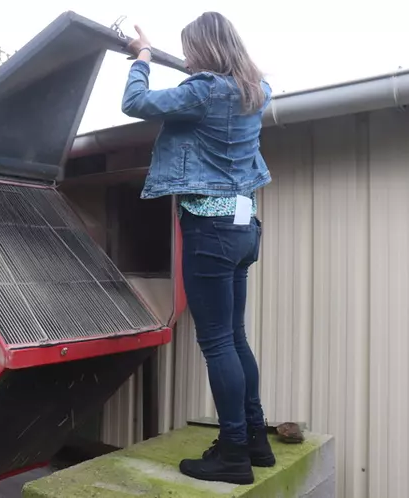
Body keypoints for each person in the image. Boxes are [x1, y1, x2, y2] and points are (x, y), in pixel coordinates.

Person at [121, 12, 275, 485]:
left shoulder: (202, 91)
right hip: (244, 225)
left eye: (190, 50)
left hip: (210, 228)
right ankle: (254, 439)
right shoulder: (257, 90)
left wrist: (143, 57)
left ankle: (232, 454)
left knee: (217, 343)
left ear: (205, 51)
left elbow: (135, 102)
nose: (186, 58)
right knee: (236, 337)